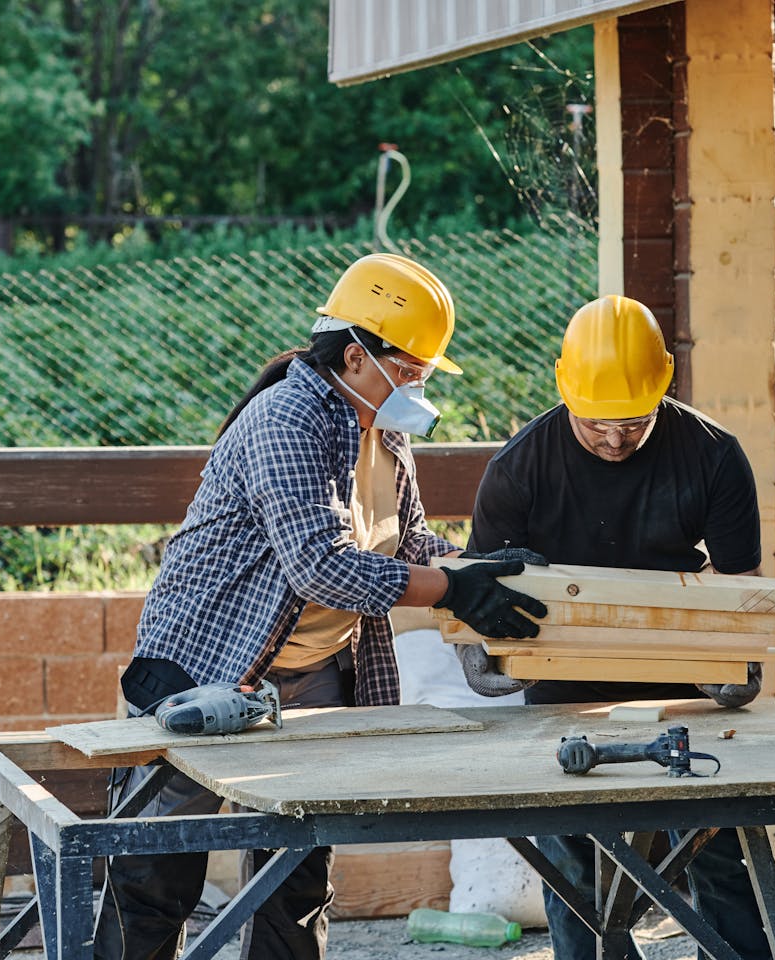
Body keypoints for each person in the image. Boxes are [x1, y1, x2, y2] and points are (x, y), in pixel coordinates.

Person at [94, 252, 546, 960]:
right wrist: (454, 592)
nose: (419, 383)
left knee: (297, 871)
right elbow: (320, 565)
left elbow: (411, 539)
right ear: (359, 355)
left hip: (314, 672)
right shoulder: (288, 417)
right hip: (201, 663)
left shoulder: (384, 429)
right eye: (411, 367)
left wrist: (473, 568)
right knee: (156, 868)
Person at [459, 294, 771, 960]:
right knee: (576, 865)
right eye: (595, 422)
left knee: (725, 848)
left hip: (686, 682)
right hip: (562, 686)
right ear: (564, 389)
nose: (612, 438)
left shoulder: (713, 456)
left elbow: (746, 595)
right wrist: (490, 644)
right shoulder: (518, 471)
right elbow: (477, 610)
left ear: (663, 387)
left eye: (632, 421)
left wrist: (735, 667)